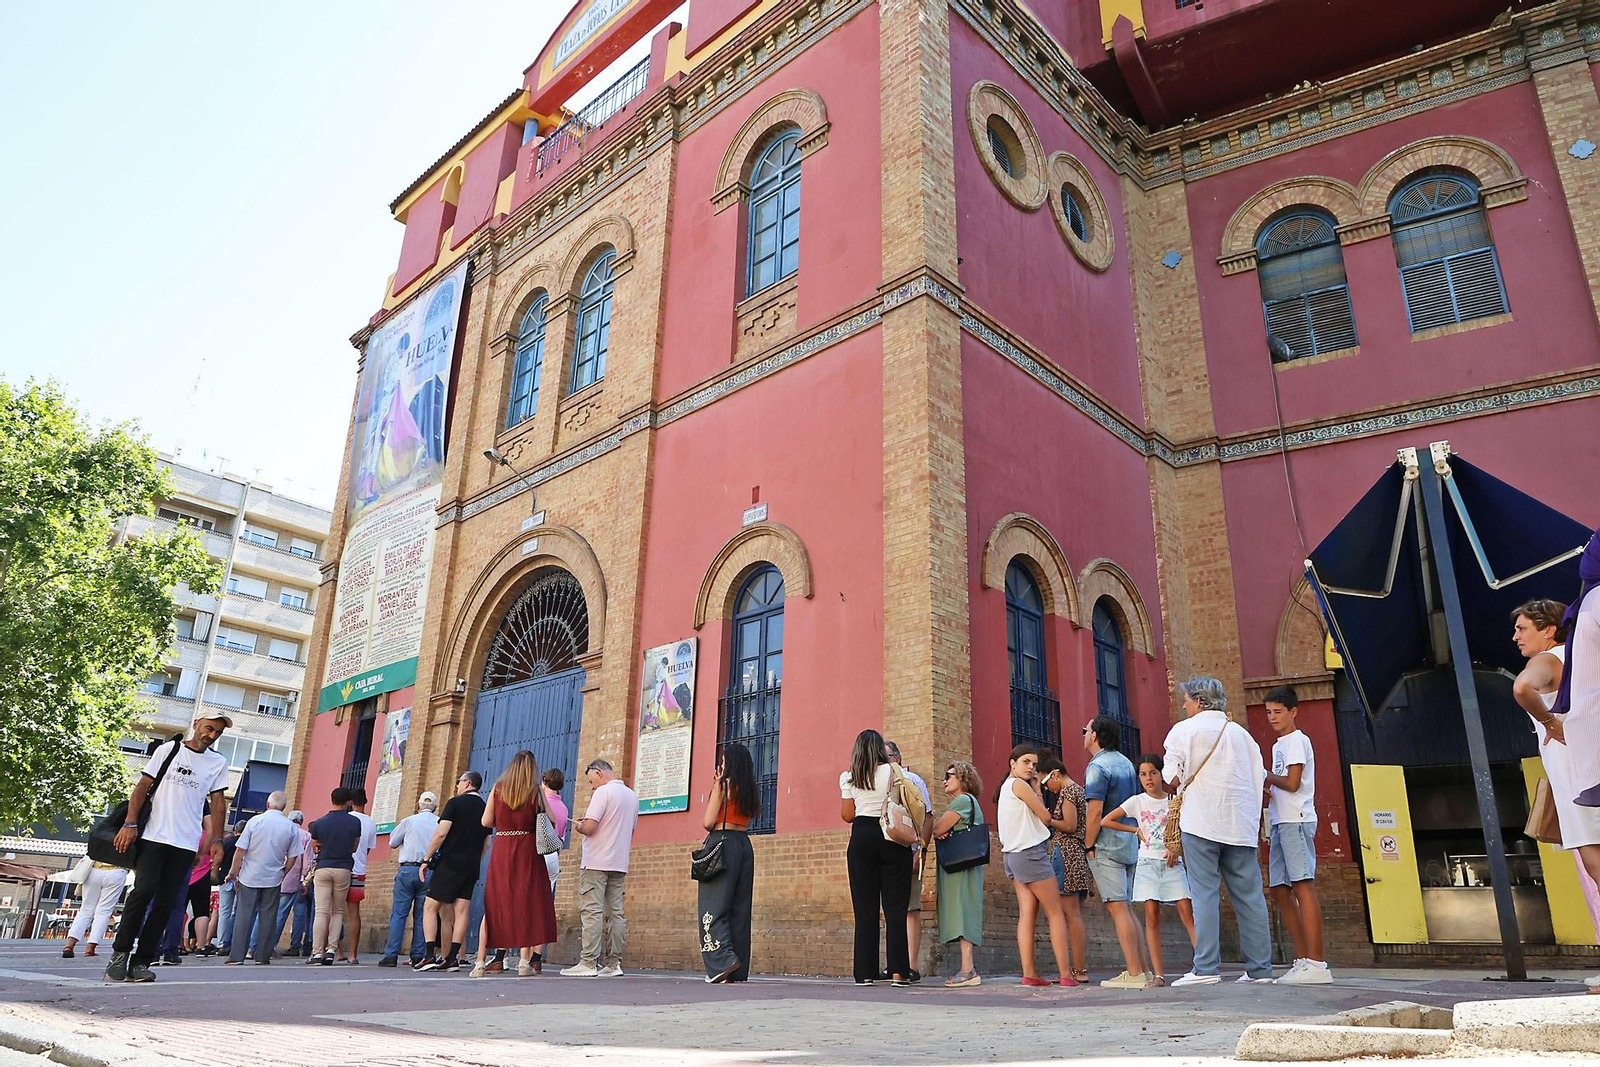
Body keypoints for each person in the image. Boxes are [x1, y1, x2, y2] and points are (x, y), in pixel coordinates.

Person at [1163, 676, 1273, 986]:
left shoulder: (1183, 731)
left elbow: (1170, 777)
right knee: (1251, 897)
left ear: (1198, 701)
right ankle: (1259, 970)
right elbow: (1258, 777)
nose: (1184, 705)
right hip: (1240, 825)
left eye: (1186, 700)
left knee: (1204, 894)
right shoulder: (1242, 735)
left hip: (1200, 821)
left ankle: (1206, 968)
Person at [105, 713, 231, 983]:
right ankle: (120, 953)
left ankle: (142, 961)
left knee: (165, 904)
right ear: (197, 724)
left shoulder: (217, 762)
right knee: (142, 892)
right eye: (209, 728)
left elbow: (218, 802)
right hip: (153, 837)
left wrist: (218, 840)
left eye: (218, 733)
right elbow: (143, 787)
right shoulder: (169, 749)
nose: (211, 735)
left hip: (185, 844)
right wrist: (129, 823)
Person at [1512, 601, 1600, 923]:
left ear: (1549, 629)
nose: (1515, 637)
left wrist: (1550, 722)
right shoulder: (1589, 653)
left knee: (1594, 860)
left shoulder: (1549, 659)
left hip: (1576, 775)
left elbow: (1522, 687)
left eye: (1522, 628)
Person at [1100, 754, 1195, 986]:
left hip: (1173, 864)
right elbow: (1106, 820)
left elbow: (1187, 826)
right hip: (1147, 864)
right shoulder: (1136, 801)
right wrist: (1135, 831)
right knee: (1152, 917)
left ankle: (1204, 967)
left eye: (1153, 772)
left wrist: (1177, 847)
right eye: (1143, 774)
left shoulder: (1174, 799)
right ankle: (1159, 975)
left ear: (1161, 774)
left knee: (1187, 912)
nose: (1148, 778)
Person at [1262, 686, 1331, 985]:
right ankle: (1303, 959)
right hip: (1279, 820)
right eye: (1268, 712)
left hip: (1297, 819)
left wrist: (1262, 773)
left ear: (1293, 711)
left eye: (1278, 711)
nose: (1272, 717)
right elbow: (1280, 786)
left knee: (1302, 885)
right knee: (1279, 889)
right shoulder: (1279, 746)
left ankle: (1317, 963)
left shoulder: (1297, 741)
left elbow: (1292, 783)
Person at [996, 743, 1077, 988]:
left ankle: (1029, 973)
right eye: (1026, 762)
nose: (1031, 767)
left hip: (1013, 855)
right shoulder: (1019, 785)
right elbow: (1044, 816)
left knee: (1027, 914)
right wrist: (1037, 790)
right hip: (1030, 853)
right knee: (1055, 912)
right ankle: (1066, 974)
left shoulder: (1007, 787)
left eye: (1034, 764)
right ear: (1012, 763)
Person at [1081, 715, 1153, 989]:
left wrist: (1088, 845)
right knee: (1128, 909)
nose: (1084, 734)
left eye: (1085, 730)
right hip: (1130, 842)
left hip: (1107, 845)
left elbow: (1095, 811)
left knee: (1117, 907)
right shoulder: (1126, 763)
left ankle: (1134, 972)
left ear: (1095, 734)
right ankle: (1142, 970)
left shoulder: (1097, 767)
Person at [472, 751, 558, 978]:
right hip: (528, 847)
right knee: (526, 901)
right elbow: (552, 818)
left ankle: (480, 963)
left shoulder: (498, 788)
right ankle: (523, 961)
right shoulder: (535, 790)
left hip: (503, 847)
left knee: (496, 903)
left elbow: (485, 821)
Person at [839, 729, 913, 986]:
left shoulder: (849, 777)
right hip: (891, 835)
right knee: (895, 908)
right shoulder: (894, 771)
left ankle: (865, 973)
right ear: (881, 749)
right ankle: (899, 972)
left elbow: (848, 815)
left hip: (862, 836)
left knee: (865, 909)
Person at [562, 759, 639, 978]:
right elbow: (631, 829)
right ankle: (613, 964)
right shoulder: (632, 796)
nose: (592, 786)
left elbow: (590, 826)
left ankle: (588, 962)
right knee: (616, 914)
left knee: (592, 911)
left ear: (599, 772)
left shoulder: (603, 793)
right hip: (619, 861)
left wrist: (579, 825)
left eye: (591, 780)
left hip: (596, 861)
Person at [417, 771, 491, 972]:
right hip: (471, 865)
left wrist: (426, 859)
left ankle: (430, 954)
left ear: (467, 783)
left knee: (430, 907)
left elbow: (441, 833)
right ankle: (452, 958)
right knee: (462, 910)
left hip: (449, 863)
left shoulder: (455, 803)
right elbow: (487, 842)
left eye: (459, 782)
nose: (457, 785)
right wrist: (475, 859)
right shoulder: (485, 808)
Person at [698, 743, 759, 984]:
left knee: (713, 906)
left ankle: (722, 963)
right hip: (743, 844)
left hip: (721, 843)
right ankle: (738, 968)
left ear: (730, 763)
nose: (720, 766)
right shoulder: (749, 788)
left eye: (723, 762)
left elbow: (708, 821)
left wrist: (715, 786)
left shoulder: (723, 785)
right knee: (740, 909)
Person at [225, 792, 303, 965]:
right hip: (273, 877)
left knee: (244, 916)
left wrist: (233, 872)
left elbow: (240, 850)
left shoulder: (254, 822)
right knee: (268, 916)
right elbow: (293, 856)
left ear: (267, 805)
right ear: (283, 807)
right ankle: (262, 955)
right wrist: (284, 871)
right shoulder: (290, 827)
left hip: (250, 875)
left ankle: (237, 955)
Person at [931, 760, 985, 987]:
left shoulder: (963, 800)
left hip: (960, 866)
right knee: (965, 909)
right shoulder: (967, 802)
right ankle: (967, 968)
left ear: (962, 778)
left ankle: (968, 969)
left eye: (949, 775)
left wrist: (940, 830)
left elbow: (937, 829)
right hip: (965, 865)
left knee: (963, 911)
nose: (944, 780)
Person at [884, 740, 933, 982]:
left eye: (889, 756)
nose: (886, 761)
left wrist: (920, 851)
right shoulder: (880, 781)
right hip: (885, 853)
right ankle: (893, 963)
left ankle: (911, 965)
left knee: (911, 908)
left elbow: (929, 816)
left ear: (899, 757)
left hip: (908, 850)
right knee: (891, 909)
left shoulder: (913, 781)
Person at [1039, 756, 1090, 983]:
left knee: (1070, 914)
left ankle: (1078, 970)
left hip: (1066, 853)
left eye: (1046, 782)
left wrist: (1049, 819)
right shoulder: (1078, 790)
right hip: (1076, 855)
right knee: (1074, 914)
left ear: (1056, 774)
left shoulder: (1068, 792)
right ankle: (1080, 969)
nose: (1046, 787)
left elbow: (1069, 825)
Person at [380, 791, 439, 968]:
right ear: (435, 807)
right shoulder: (439, 822)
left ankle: (391, 955)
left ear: (418, 805)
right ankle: (418, 955)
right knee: (424, 915)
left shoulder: (409, 821)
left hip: (407, 869)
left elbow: (392, 842)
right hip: (429, 870)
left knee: (399, 914)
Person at [307, 787, 361, 966]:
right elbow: (354, 846)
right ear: (348, 802)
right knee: (337, 911)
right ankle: (331, 950)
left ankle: (316, 953)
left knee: (321, 911)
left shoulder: (319, 823)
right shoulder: (354, 823)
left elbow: (315, 846)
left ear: (332, 799)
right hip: (344, 867)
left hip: (323, 867)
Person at [340, 787, 378, 963]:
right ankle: (353, 954)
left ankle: (337, 951)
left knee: (335, 911)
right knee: (354, 913)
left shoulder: (346, 819)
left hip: (342, 867)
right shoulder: (371, 822)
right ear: (366, 802)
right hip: (360, 869)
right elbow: (368, 849)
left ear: (350, 802)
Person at [63, 861, 129, 960]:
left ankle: (69, 945)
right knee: (104, 911)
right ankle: (90, 948)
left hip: (94, 870)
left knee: (85, 910)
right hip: (117, 871)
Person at [275, 811, 313, 957]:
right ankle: (295, 946)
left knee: (280, 913)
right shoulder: (306, 836)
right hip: (297, 879)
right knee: (299, 914)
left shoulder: (282, 832)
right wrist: (305, 880)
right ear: (301, 821)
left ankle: (271, 944)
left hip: (280, 878)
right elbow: (306, 861)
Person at [212, 821, 244, 953]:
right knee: (237, 912)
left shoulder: (227, 843)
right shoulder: (246, 844)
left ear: (236, 830)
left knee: (224, 912)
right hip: (240, 879)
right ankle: (233, 941)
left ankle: (221, 942)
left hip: (225, 879)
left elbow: (218, 860)